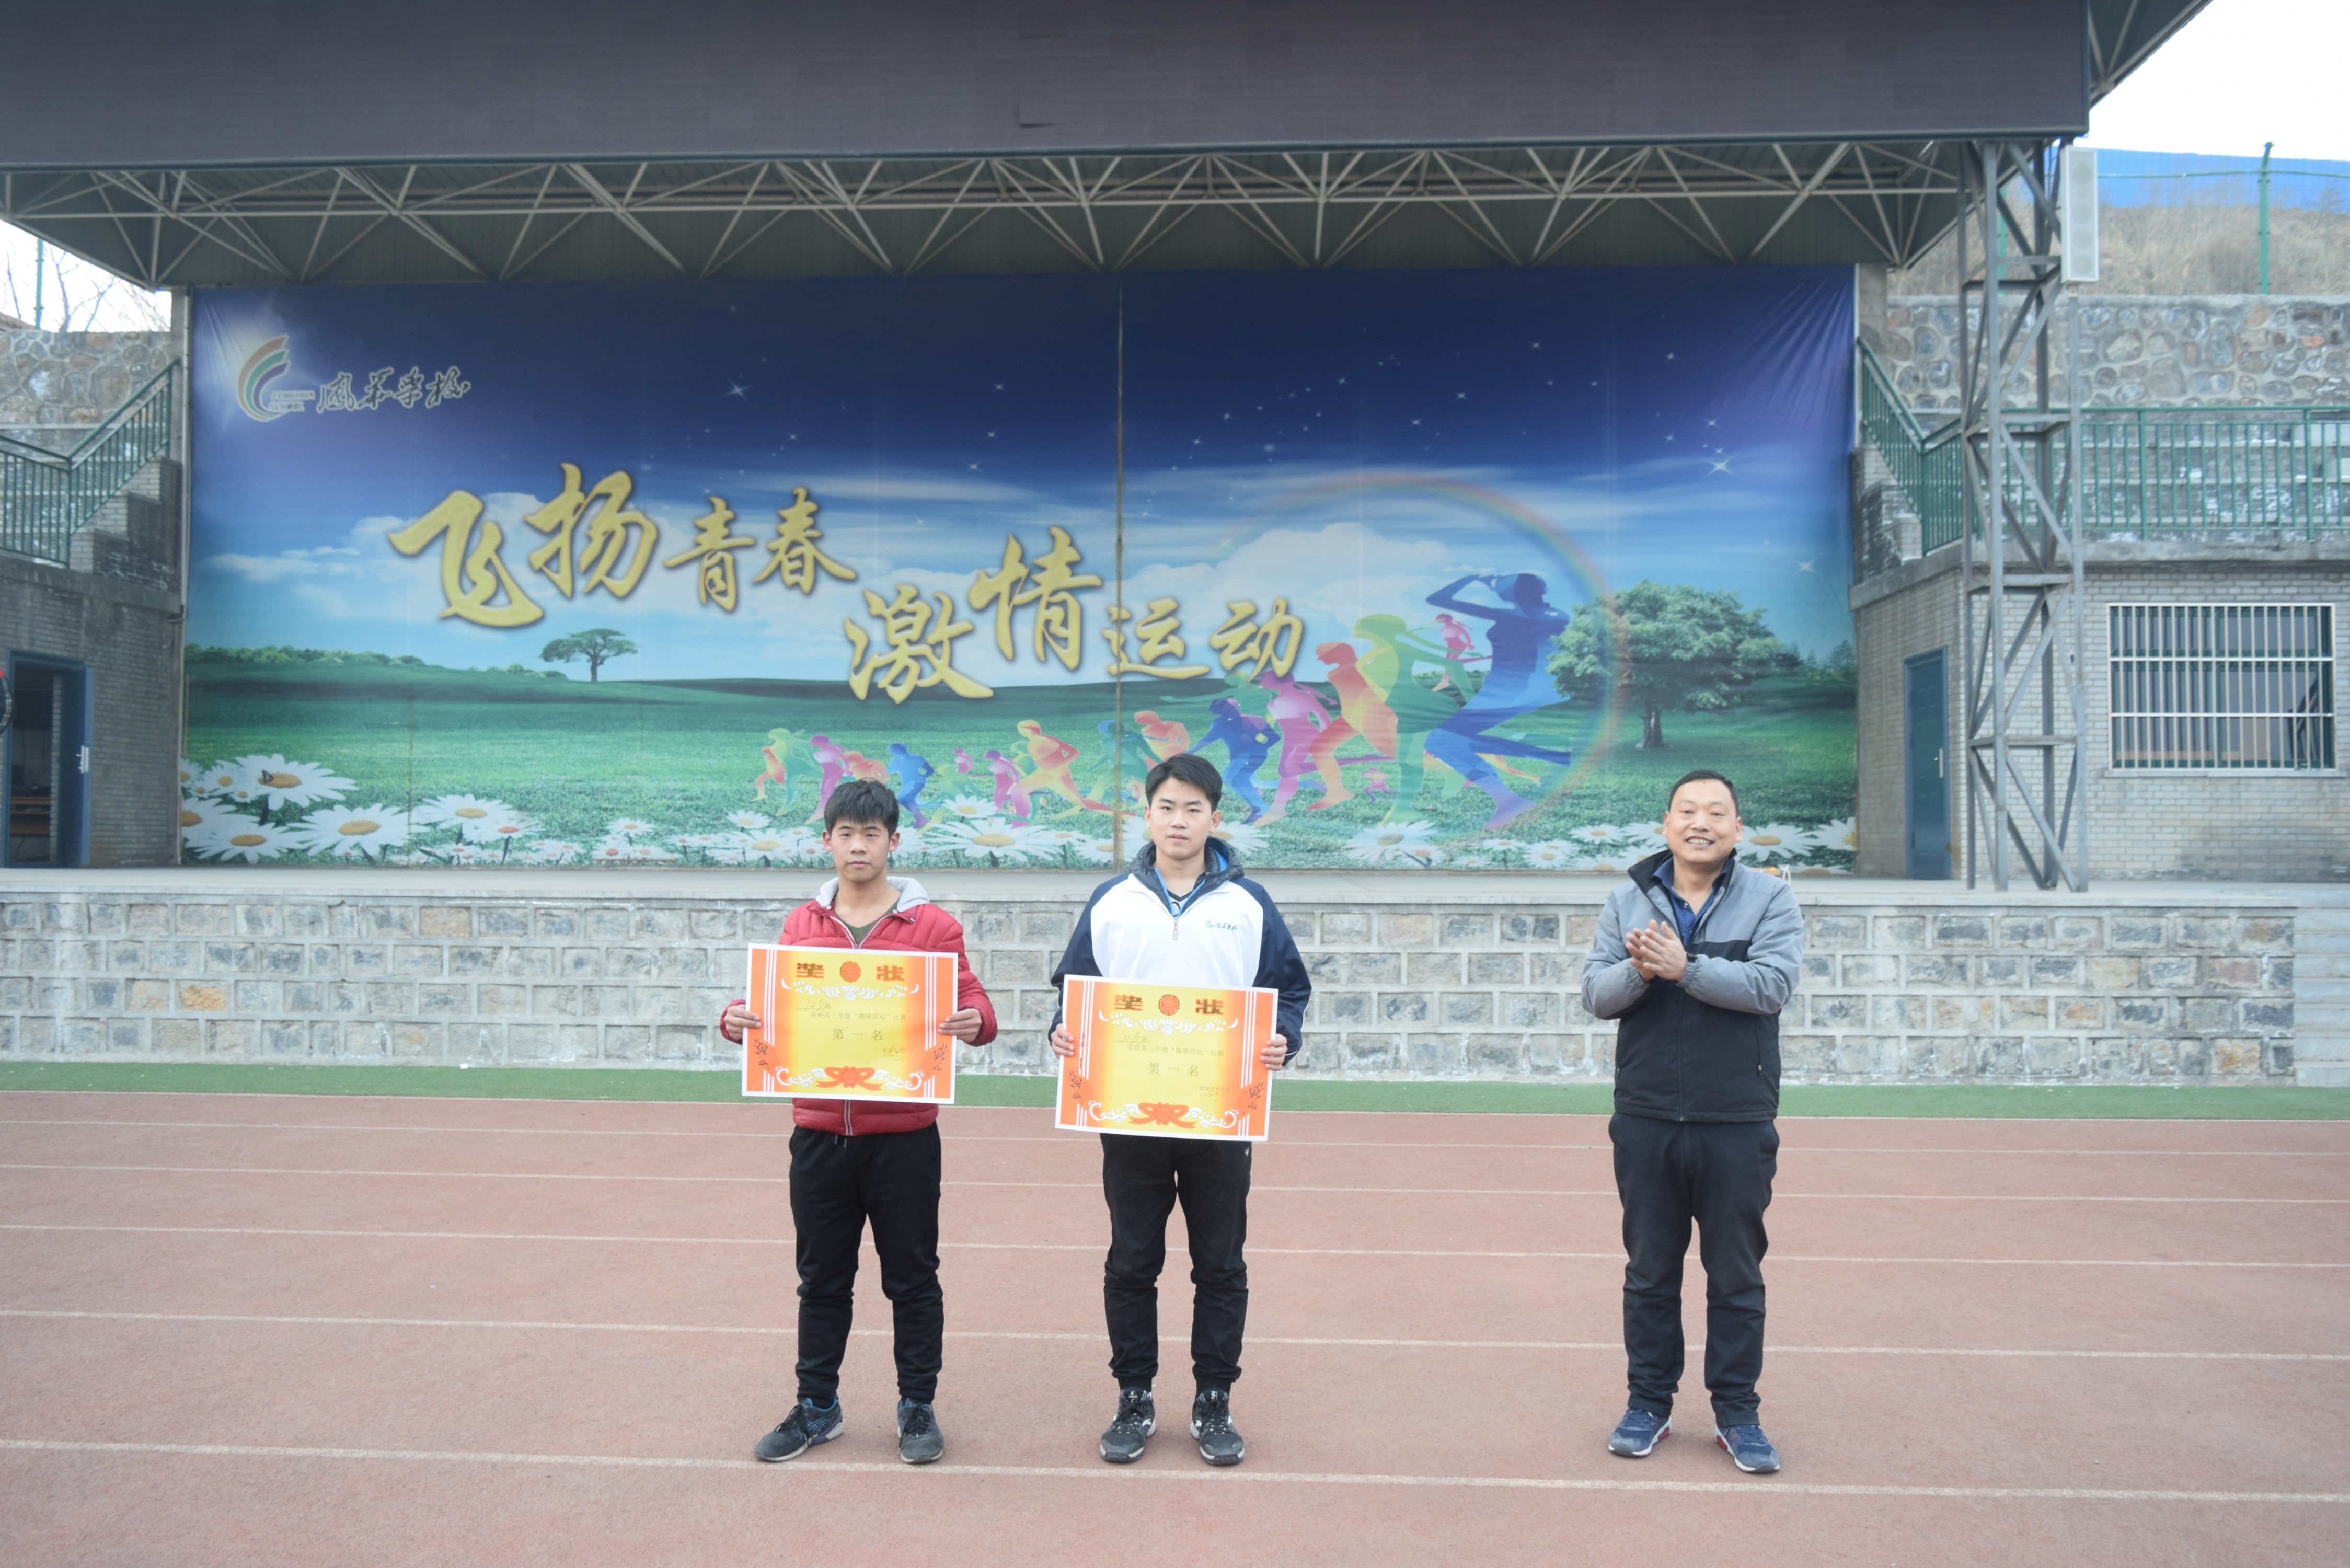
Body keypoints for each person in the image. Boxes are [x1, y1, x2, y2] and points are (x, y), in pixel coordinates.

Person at [717, 777, 998, 1467]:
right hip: (819, 1133)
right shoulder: (802, 925)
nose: (859, 846)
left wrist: (975, 1021)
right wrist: (735, 1018)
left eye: (872, 834)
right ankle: (818, 1406)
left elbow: (975, 1003)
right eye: (846, 833)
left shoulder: (934, 927)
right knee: (822, 1279)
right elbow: (769, 1005)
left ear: (893, 841)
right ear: (828, 842)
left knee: (912, 1277)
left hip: (903, 1137)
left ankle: (917, 1406)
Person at [1047, 752, 1311, 1468]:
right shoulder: (1112, 899)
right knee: (1133, 1260)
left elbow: (1288, 990)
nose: (1179, 820)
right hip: (1129, 1114)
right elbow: (1075, 989)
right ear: (1148, 815)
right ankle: (1134, 1396)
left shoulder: (1249, 903)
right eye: (1167, 807)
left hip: (1220, 1116)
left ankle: (1214, 1399)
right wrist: (1063, 1030)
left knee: (1220, 1263)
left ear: (1214, 819)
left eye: (1194, 809)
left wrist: (1283, 1037)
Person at [1580, 769, 1802, 1477]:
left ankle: (1738, 1414)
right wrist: (1643, 972)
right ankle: (1648, 1404)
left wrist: (1687, 967)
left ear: (1737, 828)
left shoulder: (1770, 897)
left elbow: (1773, 986)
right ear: (1666, 824)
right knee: (1650, 1271)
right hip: (1646, 1116)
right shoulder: (1628, 900)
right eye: (1686, 811)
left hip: (1736, 1117)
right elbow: (1596, 994)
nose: (1700, 823)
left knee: (1735, 1274)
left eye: (1715, 812)